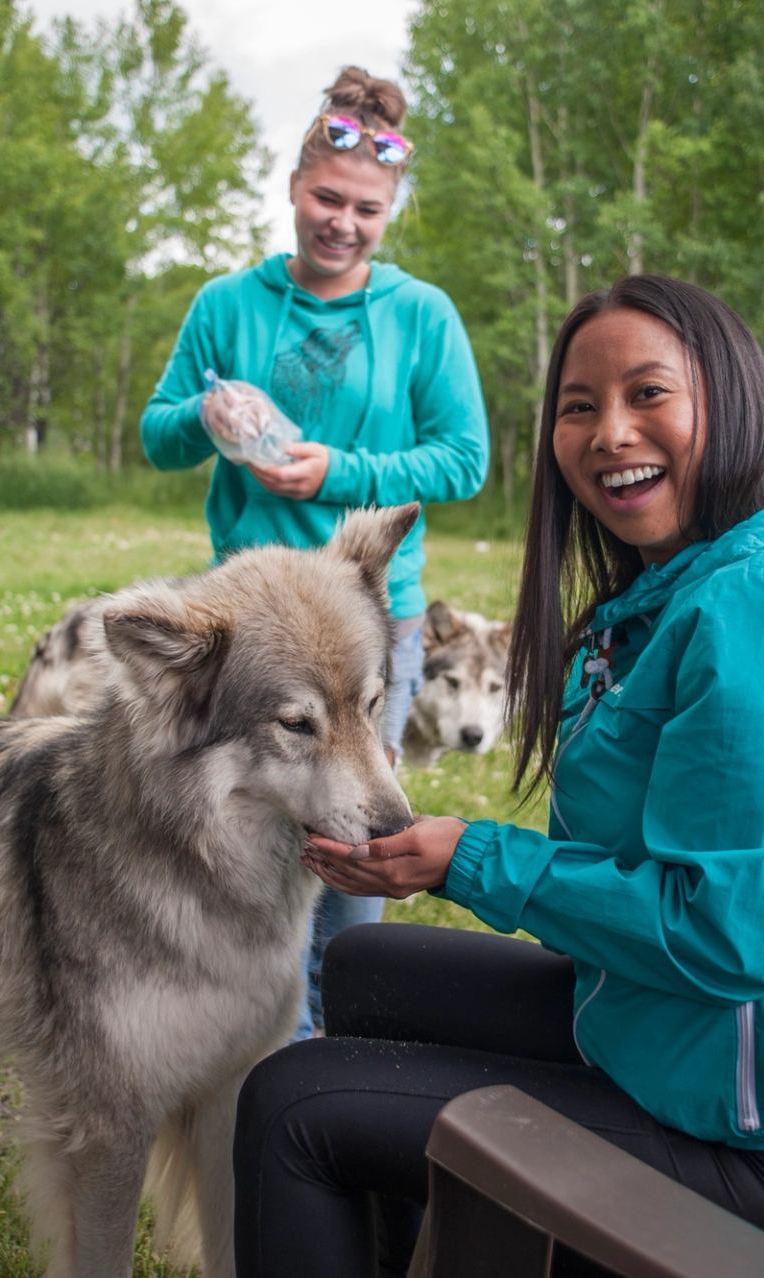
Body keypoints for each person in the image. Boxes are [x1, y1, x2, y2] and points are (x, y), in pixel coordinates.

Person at [236, 275, 764, 1277]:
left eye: (649, 394)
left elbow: (727, 939)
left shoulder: (761, 611)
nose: (609, 433)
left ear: (728, 402)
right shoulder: (671, 589)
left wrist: (471, 859)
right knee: (364, 971)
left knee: (294, 1104)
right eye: (578, 406)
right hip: (667, 1040)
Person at [139, 68, 488, 1041]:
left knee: (353, 848)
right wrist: (205, 418)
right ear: (294, 186)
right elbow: (155, 434)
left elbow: (464, 460)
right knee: (243, 851)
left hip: (370, 624)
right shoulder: (228, 305)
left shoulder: (420, 316)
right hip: (249, 635)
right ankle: (247, 1046)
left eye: (366, 209)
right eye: (327, 198)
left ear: (391, 212)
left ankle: (336, 1055)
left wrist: (337, 470)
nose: (342, 222)